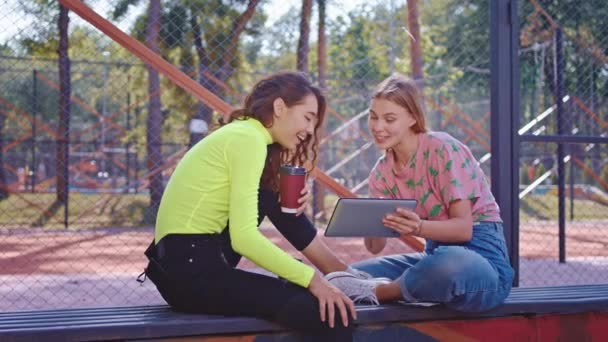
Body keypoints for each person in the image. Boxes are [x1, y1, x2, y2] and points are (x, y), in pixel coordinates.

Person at [143, 71, 359, 341]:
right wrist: (312, 280)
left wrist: (283, 200)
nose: (310, 131)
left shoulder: (246, 135)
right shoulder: (249, 140)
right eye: (307, 117)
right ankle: (340, 277)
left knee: (306, 291)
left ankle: (342, 276)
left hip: (184, 266)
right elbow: (244, 238)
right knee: (330, 314)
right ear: (279, 107)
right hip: (192, 272)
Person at [325, 74, 514, 313]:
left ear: (413, 118)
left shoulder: (443, 149)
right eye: (373, 117)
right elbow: (375, 247)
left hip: (482, 267)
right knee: (347, 273)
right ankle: (395, 286)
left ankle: (378, 292)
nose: (377, 126)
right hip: (432, 259)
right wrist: (370, 220)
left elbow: (463, 230)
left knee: (452, 263)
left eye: (389, 119)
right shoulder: (381, 173)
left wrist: (418, 228)